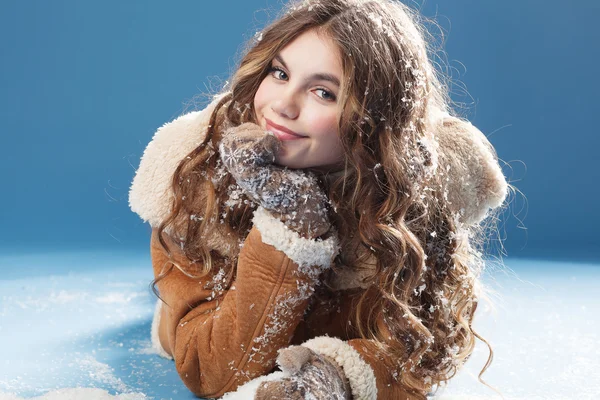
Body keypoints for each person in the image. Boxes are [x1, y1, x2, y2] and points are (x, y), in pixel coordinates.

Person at [128, 0, 510, 398]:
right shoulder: (199, 174)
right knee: (171, 327)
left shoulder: (417, 198)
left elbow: (426, 348)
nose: (282, 105)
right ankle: (164, 307)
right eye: (279, 73)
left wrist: (338, 377)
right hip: (214, 315)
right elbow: (212, 373)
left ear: (373, 118)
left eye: (323, 93)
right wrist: (292, 225)